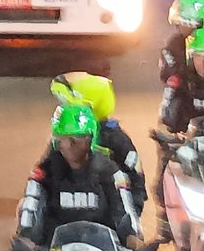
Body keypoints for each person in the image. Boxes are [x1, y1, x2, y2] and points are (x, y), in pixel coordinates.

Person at [12, 103, 143, 251]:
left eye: (77, 138)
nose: (70, 145)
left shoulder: (110, 172)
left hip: (102, 249)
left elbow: (125, 213)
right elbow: (31, 211)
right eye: (64, 138)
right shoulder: (44, 173)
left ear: (90, 139)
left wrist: (133, 239)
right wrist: (26, 239)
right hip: (55, 249)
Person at [52, 72, 146, 203]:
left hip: (105, 216)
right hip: (67, 211)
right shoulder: (63, 139)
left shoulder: (115, 139)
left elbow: (137, 184)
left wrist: (128, 214)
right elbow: (46, 172)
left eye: (70, 105)